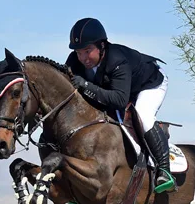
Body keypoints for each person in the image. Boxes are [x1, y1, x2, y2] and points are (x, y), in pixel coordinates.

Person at [65, 17, 175, 193]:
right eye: (79, 52)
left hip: (149, 84)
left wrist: (86, 86)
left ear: (101, 46)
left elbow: (119, 100)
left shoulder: (116, 60)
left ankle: (164, 170)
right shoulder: (74, 61)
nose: (83, 58)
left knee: (143, 115)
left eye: (87, 51)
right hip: (120, 89)